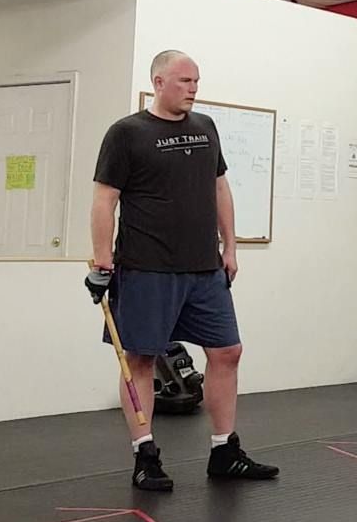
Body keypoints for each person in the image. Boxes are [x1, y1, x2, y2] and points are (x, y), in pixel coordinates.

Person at [85, 50, 278, 491]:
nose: (193, 88)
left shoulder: (205, 128)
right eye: (184, 81)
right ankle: (145, 455)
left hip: (204, 268)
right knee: (141, 359)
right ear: (158, 82)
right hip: (146, 267)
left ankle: (225, 450)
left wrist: (230, 245)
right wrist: (102, 261)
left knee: (227, 352)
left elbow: (219, 185)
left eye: (196, 81)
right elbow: (104, 199)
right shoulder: (127, 133)